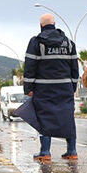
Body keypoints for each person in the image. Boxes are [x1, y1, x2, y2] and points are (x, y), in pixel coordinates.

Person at [23, 14, 80, 161]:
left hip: (44, 89)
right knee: (67, 117)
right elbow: (75, 68)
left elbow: (30, 66)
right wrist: (72, 86)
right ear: (54, 24)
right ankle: (72, 151)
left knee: (44, 118)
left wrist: (28, 88)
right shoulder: (69, 43)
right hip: (65, 88)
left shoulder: (36, 42)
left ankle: (45, 152)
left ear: (41, 26)